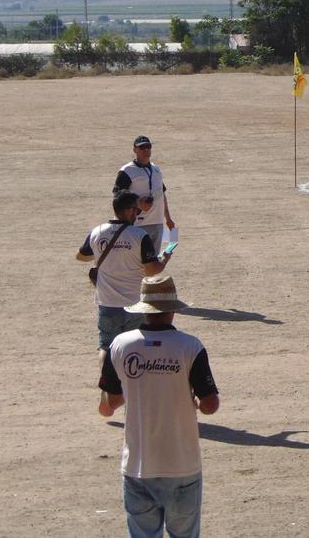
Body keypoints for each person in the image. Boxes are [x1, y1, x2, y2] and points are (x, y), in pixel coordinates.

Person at [98, 275, 220, 538]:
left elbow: (110, 403)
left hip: (138, 465)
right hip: (182, 464)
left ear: (143, 309)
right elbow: (210, 405)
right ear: (173, 310)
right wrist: (194, 401)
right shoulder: (190, 347)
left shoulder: (119, 345)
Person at [77, 190, 170, 361]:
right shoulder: (140, 236)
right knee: (135, 348)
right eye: (137, 210)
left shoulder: (97, 232)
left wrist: (102, 251)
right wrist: (164, 259)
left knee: (107, 347)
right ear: (128, 210)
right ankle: (130, 384)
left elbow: (81, 256)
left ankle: (106, 386)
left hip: (107, 302)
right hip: (134, 303)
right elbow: (152, 270)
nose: (138, 214)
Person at [114, 135, 176, 251]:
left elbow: (161, 195)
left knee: (152, 261)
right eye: (142, 147)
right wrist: (138, 203)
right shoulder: (127, 171)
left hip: (156, 223)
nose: (146, 150)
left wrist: (168, 218)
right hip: (136, 225)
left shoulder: (156, 170)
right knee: (135, 261)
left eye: (148, 147)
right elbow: (117, 198)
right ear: (135, 150)